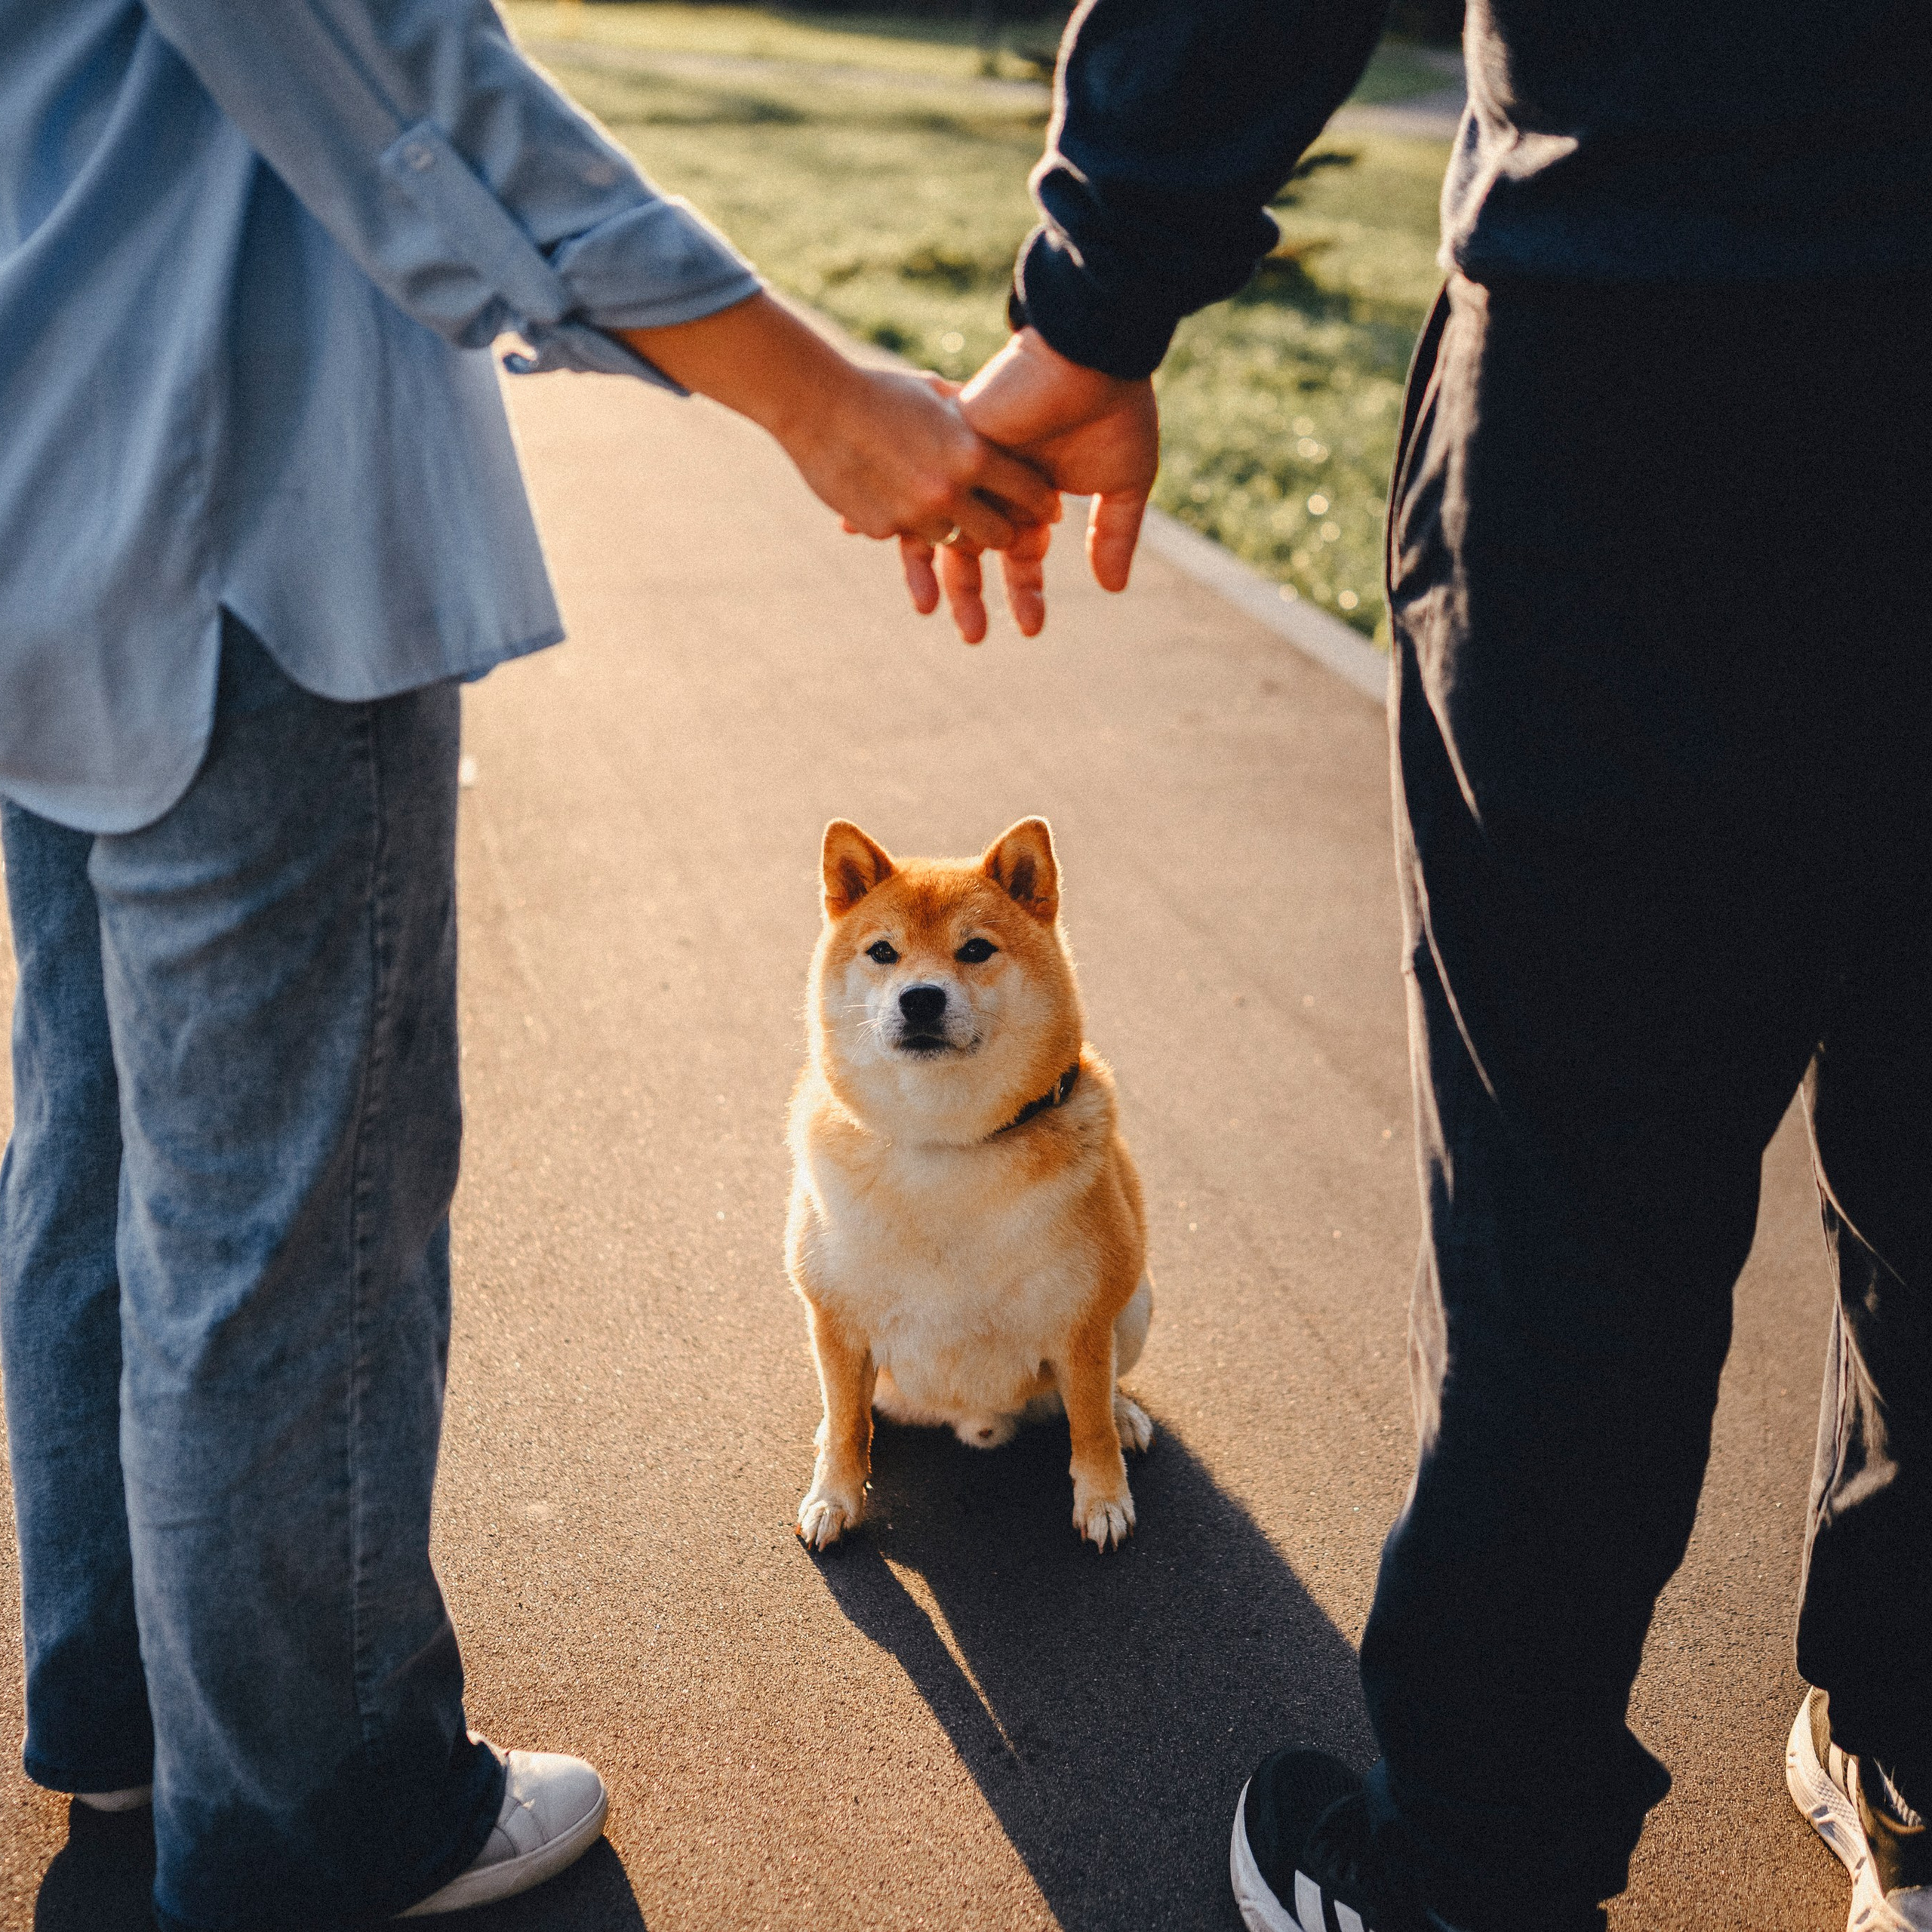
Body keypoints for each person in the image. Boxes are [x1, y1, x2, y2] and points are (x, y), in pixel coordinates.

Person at [0, 4, 1056, 1926]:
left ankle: (144, 1708)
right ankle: (327, 1813)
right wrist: (806, 388)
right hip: (238, 499)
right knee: (280, 1224)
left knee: (91, 1149)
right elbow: (382, 56)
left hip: (32, 473)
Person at [918, 2, 1932, 1928]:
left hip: (1646, 347)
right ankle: (1917, 1764)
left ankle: (1474, 1873)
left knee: (1572, 1208)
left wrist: (1095, 288)